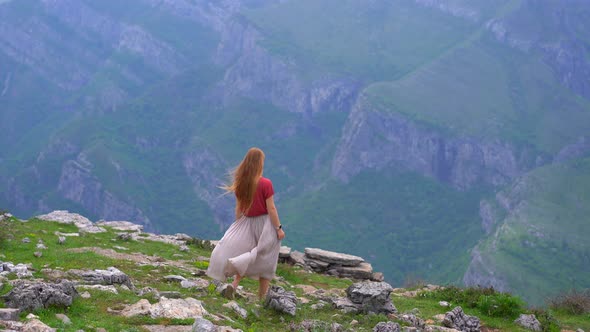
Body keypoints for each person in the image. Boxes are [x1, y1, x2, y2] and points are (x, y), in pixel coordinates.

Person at [206, 147, 286, 299]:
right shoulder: (265, 183)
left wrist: (239, 224)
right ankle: (262, 298)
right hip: (265, 225)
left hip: (246, 222)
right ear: (259, 163)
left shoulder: (241, 182)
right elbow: (272, 209)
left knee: (246, 252)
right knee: (266, 260)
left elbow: (239, 207)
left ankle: (234, 285)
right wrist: (279, 228)